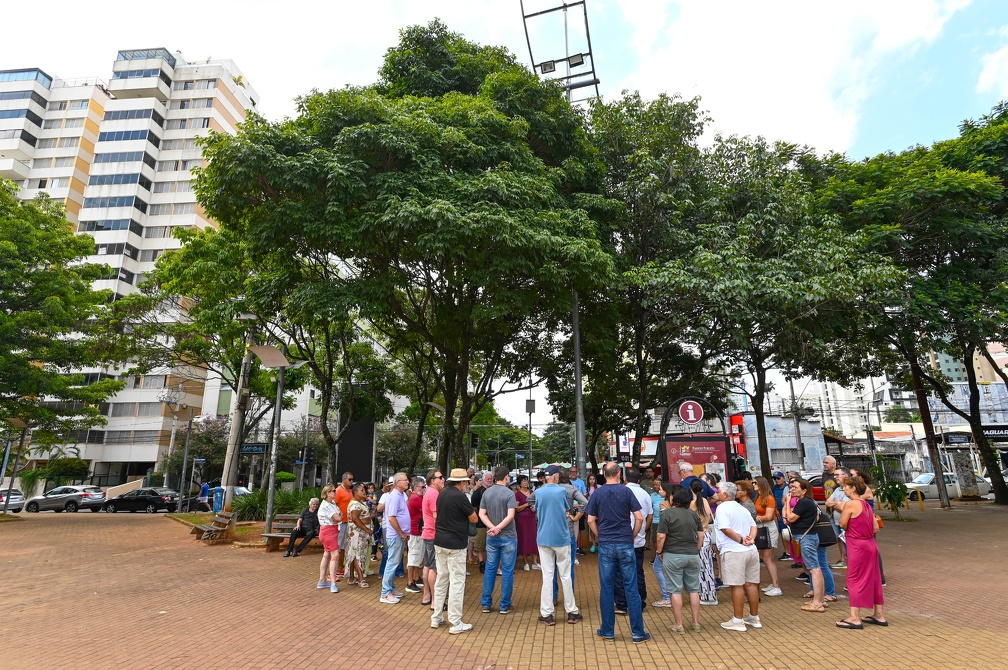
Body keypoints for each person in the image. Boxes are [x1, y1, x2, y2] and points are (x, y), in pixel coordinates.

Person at [586, 462, 649, 643]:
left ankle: (607, 630)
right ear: (619, 474)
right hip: (625, 543)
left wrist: (599, 536)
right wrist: (633, 534)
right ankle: (637, 632)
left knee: (607, 588)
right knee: (631, 587)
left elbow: (591, 520)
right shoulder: (626, 492)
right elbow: (639, 517)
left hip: (606, 544)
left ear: (604, 474)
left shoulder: (597, 493)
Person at [533, 464, 582, 626]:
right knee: (566, 575)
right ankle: (572, 612)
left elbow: (533, 505)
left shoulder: (538, 492)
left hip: (543, 538)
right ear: (555, 477)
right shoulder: (562, 491)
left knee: (547, 576)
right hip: (561, 537)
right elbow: (567, 509)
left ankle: (547, 614)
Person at [836, 473, 887, 629]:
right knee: (875, 578)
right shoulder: (866, 504)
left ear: (852, 489)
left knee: (854, 579)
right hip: (870, 544)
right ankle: (879, 614)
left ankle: (854, 617)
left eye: (845, 487)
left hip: (857, 545)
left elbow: (843, 523)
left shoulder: (851, 505)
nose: (843, 489)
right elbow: (875, 527)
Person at [431, 468, 478, 634]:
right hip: (456, 543)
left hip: (440, 541)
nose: (467, 484)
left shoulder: (442, 493)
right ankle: (455, 621)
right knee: (457, 581)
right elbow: (474, 518)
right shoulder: (460, 496)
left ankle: (436, 617)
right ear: (462, 482)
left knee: (442, 579)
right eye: (466, 481)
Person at [655, 483, 705, 633]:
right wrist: (696, 549)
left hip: (673, 554)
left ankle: (679, 625)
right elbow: (701, 535)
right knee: (694, 589)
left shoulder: (667, 514)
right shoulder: (693, 514)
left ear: (673, 498)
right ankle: (696, 623)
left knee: (675, 590)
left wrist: (659, 551)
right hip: (692, 555)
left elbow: (661, 535)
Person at [713, 480, 762, 632]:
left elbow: (725, 528)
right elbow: (753, 525)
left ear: (725, 494)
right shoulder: (742, 508)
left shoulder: (722, 508)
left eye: (718, 490)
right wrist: (751, 539)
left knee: (737, 585)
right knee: (751, 583)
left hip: (734, 550)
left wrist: (741, 540)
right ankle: (754, 617)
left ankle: (738, 620)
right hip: (750, 549)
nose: (716, 493)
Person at [783, 477, 835, 613]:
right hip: (809, 537)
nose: (792, 490)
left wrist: (788, 503)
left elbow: (790, 518)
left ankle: (817, 603)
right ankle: (820, 599)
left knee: (814, 569)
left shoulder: (804, 502)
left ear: (804, 490)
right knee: (815, 568)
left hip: (807, 538)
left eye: (795, 487)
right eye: (791, 487)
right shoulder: (806, 502)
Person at [479, 466, 518, 614]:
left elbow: (482, 513)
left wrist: (492, 528)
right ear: (506, 477)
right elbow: (510, 516)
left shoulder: (487, 493)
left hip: (492, 536)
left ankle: (486, 603)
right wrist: (499, 528)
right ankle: (504, 604)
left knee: (490, 569)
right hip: (508, 536)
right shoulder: (509, 494)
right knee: (507, 571)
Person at [615, 467, 652, 614]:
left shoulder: (620, 492)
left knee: (619, 572)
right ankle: (640, 602)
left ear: (625, 478)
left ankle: (622, 604)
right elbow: (649, 516)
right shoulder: (645, 494)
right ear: (639, 479)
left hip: (622, 538)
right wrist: (643, 530)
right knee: (638, 571)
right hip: (639, 540)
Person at [380, 472, 410, 604]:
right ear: (398, 482)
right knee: (392, 563)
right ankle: (385, 593)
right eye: (405, 480)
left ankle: (391, 589)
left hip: (399, 535)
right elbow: (391, 518)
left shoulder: (400, 495)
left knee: (394, 562)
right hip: (395, 535)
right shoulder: (394, 497)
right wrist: (402, 533)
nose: (407, 482)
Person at [689, 478, 718, 606]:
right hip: (707, 534)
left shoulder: (692, 504)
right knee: (708, 566)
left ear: (690, 489)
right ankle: (711, 594)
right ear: (702, 489)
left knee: (700, 567)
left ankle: (705, 595)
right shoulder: (705, 501)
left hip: (697, 536)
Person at [753, 476, 782, 596]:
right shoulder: (758, 497)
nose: (753, 484)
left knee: (767, 557)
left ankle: (776, 586)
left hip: (767, 528)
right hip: (761, 528)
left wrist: (755, 518)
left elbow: (769, 516)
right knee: (767, 557)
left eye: (755, 482)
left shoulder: (769, 498)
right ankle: (774, 583)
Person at [420, 470, 443, 607]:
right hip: (433, 534)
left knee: (428, 565)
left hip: (428, 534)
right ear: (432, 480)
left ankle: (427, 595)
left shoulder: (429, 492)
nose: (443, 479)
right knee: (434, 567)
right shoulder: (434, 494)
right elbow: (436, 517)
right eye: (440, 477)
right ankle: (435, 600)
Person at [345, 483, 373, 587]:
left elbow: (362, 517)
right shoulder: (355, 504)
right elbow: (355, 519)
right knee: (357, 555)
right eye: (362, 490)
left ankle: (351, 577)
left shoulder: (360, 502)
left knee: (354, 554)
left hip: (360, 533)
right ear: (356, 492)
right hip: (357, 533)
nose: (364, 491)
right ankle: (361, 578)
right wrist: (366, 528)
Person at [316, 484, 342, 593]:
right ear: (327, 493)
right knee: (335, 556)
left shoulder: (332, 503)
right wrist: (339, 517)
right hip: (328, 531)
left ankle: (322, 580)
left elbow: (339, 516)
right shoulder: (326, 505)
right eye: (333, 491)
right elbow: (338, 517)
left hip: (331, 530)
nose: (335, 492)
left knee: (327, 554)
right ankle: (332, 583)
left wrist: (339, 517)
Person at [825, 467, 851, 568]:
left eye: (837, 475)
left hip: (847, 523)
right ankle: (844, 559)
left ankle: (851, 561)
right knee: (841, 539)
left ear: (845, 475)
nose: (835, 477)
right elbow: (827, 502)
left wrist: (835, 504)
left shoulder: (850, 488)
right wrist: (838, 503)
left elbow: (842, 507)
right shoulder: (837, 489)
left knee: (849, 541)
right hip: (837, 521)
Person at [514, 475, 539, 571]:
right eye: (523, 481)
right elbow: (517, 508)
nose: (525, 483)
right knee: (524, 539)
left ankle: (535, 562)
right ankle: (525, 562)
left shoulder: (532, 492)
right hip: (522, 519)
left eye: (526, 481)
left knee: (534, 539)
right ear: (520, 483)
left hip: (532, 518)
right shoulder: (518, 494)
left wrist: (534, 507)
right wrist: (527, 504)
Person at [406, 477, 426, 593]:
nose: (424, 489)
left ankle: (416, 577)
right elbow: (426, 508)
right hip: (415, 531)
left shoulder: (416, 497)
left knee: (418, 556)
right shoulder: (416, 498)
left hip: (417, 531)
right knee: (413, 557)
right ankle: (410, 581)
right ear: (415, 487)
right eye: (422, 487)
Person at [470, 472, 492, 573]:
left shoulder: (493, 491)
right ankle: (481, 562)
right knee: (480, 544)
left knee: (489, 544)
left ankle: (488, 562)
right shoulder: (477, 492)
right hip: (480, 523)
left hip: (492, 521)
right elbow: (473, 507)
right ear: (482, 480)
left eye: (491, 478)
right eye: (487, 478)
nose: (489, 480)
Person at [333, 472, 354, 579]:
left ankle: (344, 567)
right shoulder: (338, 491)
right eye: (350, 479)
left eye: (352, 479)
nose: (351, 482)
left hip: (350, 522)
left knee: (347, 546)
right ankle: (338, 569)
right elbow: (334, 506)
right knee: (340, 546)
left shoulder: (351, 491)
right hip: (342, 523)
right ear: (344, 479)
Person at [771, 471, 790, 561]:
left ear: (783, 478)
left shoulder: (788, 487)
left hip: (788, 512)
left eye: (778, 478)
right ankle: (787, 552)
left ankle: (793, 552)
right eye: (775, 479)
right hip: (779, 513)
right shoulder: (775, 487)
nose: (776, 480)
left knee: (791, 532)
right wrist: (775, 509)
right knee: (783, 533)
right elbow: (773, 498)